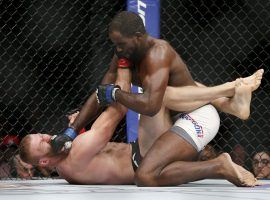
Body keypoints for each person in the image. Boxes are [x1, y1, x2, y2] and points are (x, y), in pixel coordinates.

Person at [50, 11, 262, 186]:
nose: (118, 49)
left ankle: (220, 161)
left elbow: (149, 106)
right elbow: (101, 92)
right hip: (171, 118)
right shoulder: (124, 55)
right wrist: (71, 131)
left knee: (146, 173)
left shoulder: (158, 53)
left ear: (138, 36)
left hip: (196, 115)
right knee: (152, 160)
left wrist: (116, 93)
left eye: (122, 43)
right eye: (115, 44)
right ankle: (230, 104)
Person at [19, 67, 257, 185]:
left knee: (154, 88)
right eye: (43, 141)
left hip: (151, 150)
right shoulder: (77, 151)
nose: (49, 136)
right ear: (43, 162)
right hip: (146, 153)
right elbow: (119, 108)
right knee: (151, 87)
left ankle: (228, 102)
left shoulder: (67, 167)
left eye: (42, 134)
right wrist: (121, 67)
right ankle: (228, 95)